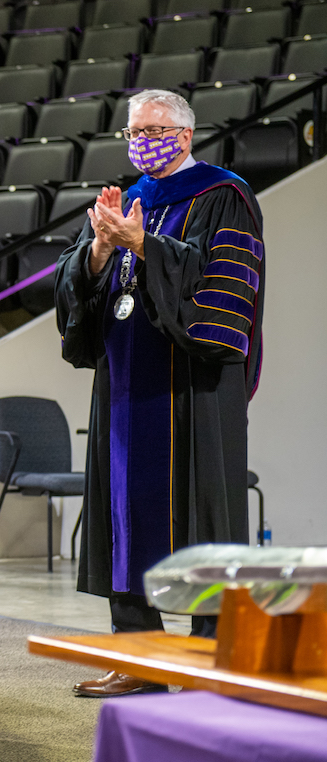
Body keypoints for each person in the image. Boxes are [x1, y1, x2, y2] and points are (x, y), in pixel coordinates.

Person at [55, 89, 265, 697]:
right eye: (133, 130)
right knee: (127, 514)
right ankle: (139, 657)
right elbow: (82, 287)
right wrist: (99, 248)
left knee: (201, 517)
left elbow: (224, 288)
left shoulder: (224, 195)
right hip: (124, 390)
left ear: (186, 134)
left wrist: (144, 245)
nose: (142, 138)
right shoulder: (131, 200)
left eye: (154, 128)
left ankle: (207, 659)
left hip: (193, 389)